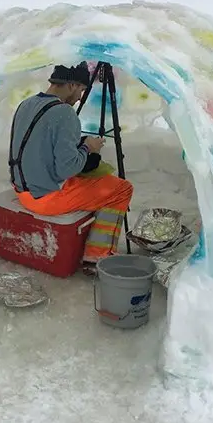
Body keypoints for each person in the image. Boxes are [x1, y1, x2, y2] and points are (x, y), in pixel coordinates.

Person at [8, 61, 134, 273]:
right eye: (82, 90)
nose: (80, 98)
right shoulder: (64, 113)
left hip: (22, 190)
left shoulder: (26, 104)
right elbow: (67, 169)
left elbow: (40, 143)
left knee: (92, 179)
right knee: (121, 189)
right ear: (73, 85)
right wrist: (88, 147)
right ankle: (97, 256)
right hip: (45, 199)